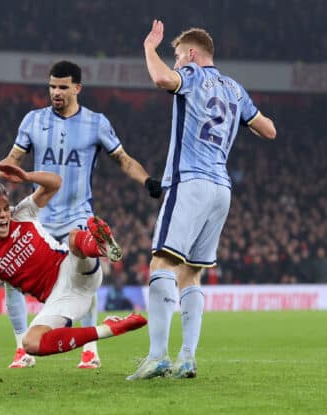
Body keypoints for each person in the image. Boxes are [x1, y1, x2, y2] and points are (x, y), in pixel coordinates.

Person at [0, 60, 161, 369]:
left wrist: (147, 180)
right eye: (52, 86)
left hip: (78, 212)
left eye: (62, 87)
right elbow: (14, 159)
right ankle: (22, 348)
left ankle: (91, 350)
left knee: (85, 271)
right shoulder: (33, 120)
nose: (55, 92)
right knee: (10, 276)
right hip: (42, 215)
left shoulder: (96, 123)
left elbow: (123, 160)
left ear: (77, 88)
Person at [128, 20, 277, 380]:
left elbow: (164, 80)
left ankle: (158, 355)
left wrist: (149, 48)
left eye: (178, 56)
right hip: (221, 189)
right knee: (190, 273)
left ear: (193, 54)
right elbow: (268, 130)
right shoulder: (235, 89)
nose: (176, 62)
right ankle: (188, 358)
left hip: (190, 181)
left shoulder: (192, 74)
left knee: (162, 263)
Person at [0, 164, 147, 359]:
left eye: (5, 208)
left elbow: (55, 183)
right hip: (59, 299)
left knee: (74, 236)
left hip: (74, 269)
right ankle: (110, 328)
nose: (4, 215)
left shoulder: (22, 213)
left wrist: (26, 177)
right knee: (30, 343)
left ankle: (101, 246)